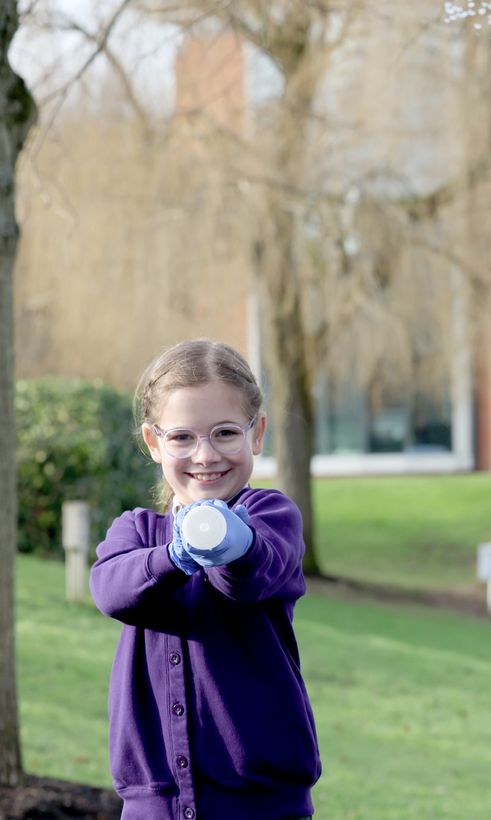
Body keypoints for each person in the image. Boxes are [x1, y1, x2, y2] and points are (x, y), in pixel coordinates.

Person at [90, 339, 319, 819]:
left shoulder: (272, 516)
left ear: (257, 434)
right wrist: (176, 555)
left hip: (261, 805)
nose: (205, 455)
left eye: (225, 433)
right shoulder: (137, 530)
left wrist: (224, 539)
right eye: (182, 438)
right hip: (155, 805)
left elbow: (249, 575)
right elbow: (112, 591)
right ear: (154, 443)